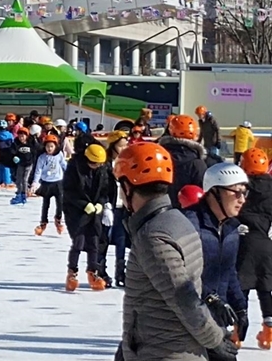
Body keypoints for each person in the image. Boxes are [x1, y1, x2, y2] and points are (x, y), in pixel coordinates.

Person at [113, 142, 236, 361]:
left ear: (127, 187)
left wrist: (216, 340)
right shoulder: (177, 221)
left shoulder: (154, 236)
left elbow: (184, 297)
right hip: (155, 345)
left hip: (165, 354)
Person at [182, 163, 249, 358]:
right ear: (214, 192)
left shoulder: (231, 230)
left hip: (215, 323)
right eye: (236, 192)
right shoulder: (189, 224)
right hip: (187, 323)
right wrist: (211, 298)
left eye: (244, 193)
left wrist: (241, 307)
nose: (242, 199)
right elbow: (180, 275)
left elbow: (230, 272)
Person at [62, 143, 112, 291]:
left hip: (94, 211)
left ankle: (93, 272)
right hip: (76, 211)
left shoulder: (102, 170)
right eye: (94, 163)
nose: (96, 166)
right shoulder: (75, 168)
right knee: (78, 242)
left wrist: (101, 204)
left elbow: (104, 191)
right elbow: (68, 192)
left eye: (99, 164)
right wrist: (84, 204)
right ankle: (72, 273)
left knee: (94, 242)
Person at [237, 148, 272, 350]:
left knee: (241, 288)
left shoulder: (241, 188)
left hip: (244, 240)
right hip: (266, 244)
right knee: (265, 288)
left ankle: (237, 333)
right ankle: (268, 332)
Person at [97, 130, 129, 288]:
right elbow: (101, 187)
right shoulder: (105, 164)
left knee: (122, 241)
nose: (124, 148)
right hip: (108, 208)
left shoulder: (127, 163)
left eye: (125, 145)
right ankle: (100, 271)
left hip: (123, 208)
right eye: (120, 145)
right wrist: (105, 205)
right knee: (103, 240)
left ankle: (120, 273)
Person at [158, 114, 207, 208]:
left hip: (160, 211)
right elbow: (204, 193)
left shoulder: (159, 157)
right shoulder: (197, 163)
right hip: (187, 215)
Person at [31, 134, 67, 235]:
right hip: (46, 183)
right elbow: (38, 170)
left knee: (60, 203)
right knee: (45, 204)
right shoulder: (42, 158)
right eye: (47, 146)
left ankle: (58, 219)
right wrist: (35, 183)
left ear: (55, 146)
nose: (49, 149)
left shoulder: (59, 155)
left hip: (58, 182)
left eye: (51, 146)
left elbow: (64, 165)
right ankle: (43, 222)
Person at [13, 127, 36, 203]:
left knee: (25, 179)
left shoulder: (30, 144)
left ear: (26, 136)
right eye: (20, 136)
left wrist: (33, 161)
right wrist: (14, 157)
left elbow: (35, 151)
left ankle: (24, 193)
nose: (21, 138)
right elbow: (13, 152)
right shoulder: (17, 144)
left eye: (23, 136)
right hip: (20, 164)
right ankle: (19, 193)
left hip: (28, 164)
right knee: (19, 179)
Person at [0, 120, 16, 191]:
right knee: (6, 167)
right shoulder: (10, 135)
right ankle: (7, 181)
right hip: (8, 152)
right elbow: (13, 143)